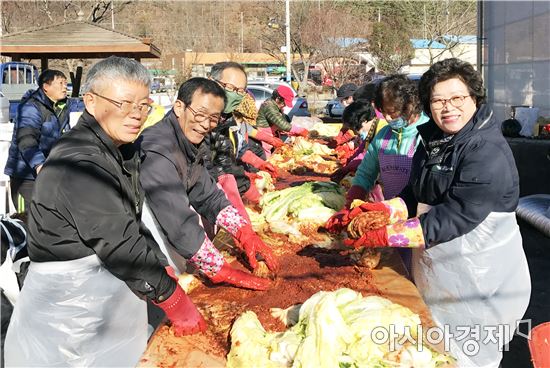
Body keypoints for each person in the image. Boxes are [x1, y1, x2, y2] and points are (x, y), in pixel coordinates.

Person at [4, 56, 206, 367]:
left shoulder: (119, 150)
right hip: (67, 325)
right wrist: (177, 303)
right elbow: (123, 247)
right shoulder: (81, 165)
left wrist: (161, 266)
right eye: (125, 104)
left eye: (143, 106)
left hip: (96, 309)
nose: (136, 115)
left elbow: (130, 223)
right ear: (90, 101)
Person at [332, 58, 531, 368]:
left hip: (480, 282)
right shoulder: (434, 139)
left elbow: (455, 216)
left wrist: (386, 234)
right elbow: (416, 193)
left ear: (475, 99)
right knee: (432, 350)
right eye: (438, 101)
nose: (448, 107)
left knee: (470, 359)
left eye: (457, 98)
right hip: (440, 271)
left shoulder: (486, 150)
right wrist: (383, 209)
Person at [138, 77, 278, 293]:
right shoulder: (158, 149)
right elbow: (178, 221)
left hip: (176, 244)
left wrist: (244, 232)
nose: (206, 124)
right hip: (148, 251)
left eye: (213, 118)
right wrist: (220, 268)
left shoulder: (191, 141)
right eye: (200, 114)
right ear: (179, 107)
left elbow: (206, 192)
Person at [4, 69, 79, 211]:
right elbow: (26, 140)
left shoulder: (63, 106)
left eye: (65, 83)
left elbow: (65, 138)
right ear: (46, 87)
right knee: (28, 220)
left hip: (50, 173)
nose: (65, 87)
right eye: (60, 83)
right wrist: (39, 165)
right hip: (25, 176)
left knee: (48, 220)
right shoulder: (30, 107)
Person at [207, 62, 275, 206]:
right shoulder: (200, 120)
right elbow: (221, 167)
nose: (234, 95)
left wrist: (259, 164)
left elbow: (237, 150)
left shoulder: (227, 119)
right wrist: (251, 192)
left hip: (216, 194)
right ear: (211, 82)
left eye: (240, 91)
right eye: (230, 88)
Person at [330, 101, 380, 183]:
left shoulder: (381, 130)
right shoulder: (371, 131)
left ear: (363, 121)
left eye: (354, 129)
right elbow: (362, 150)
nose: (355, 133)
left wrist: (348, 168)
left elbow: (368, 156)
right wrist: (348, 167)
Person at [256, 85, 309, 157]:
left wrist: (290, 132)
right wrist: (300, 130)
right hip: (264, 139)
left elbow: (282, 122)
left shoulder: (275, 106)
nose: (284, 105)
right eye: (284, 103)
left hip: (271, 137)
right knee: (267, 160)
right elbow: (282, 124)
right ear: (278, 99)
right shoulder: (269, 106)